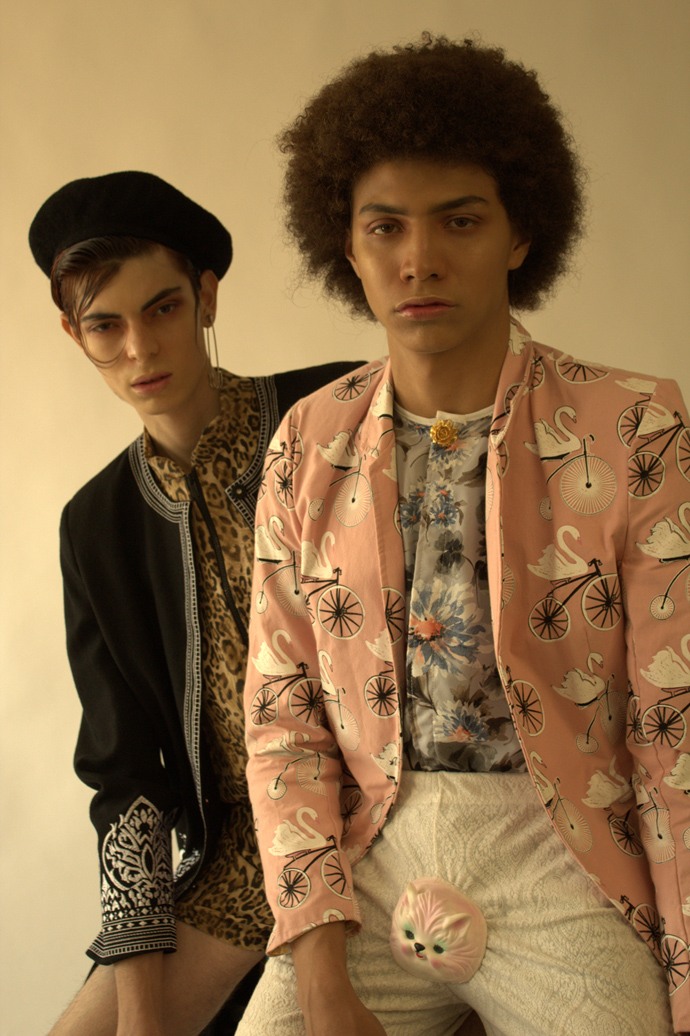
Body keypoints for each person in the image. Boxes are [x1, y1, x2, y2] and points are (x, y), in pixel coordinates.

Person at [239, 35, 690, 1036]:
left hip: (567, 856)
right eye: (385, 226)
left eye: (460, 219)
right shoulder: (308, 443)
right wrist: (318, 968)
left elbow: (676, 730)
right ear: (346, 246)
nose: (420, 258)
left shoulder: (634, 429)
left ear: (520, 232)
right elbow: (283, 719)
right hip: (369, 853)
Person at [28, 171, 358, 1036]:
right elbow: (126, 780)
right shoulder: (96, 526)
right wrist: (141, 1012)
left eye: (163, 308)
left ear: (206, 297)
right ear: (74, 334)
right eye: (106, 325)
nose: (140, 348)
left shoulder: (334, 412)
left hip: (385, 816)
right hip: (243, 855)